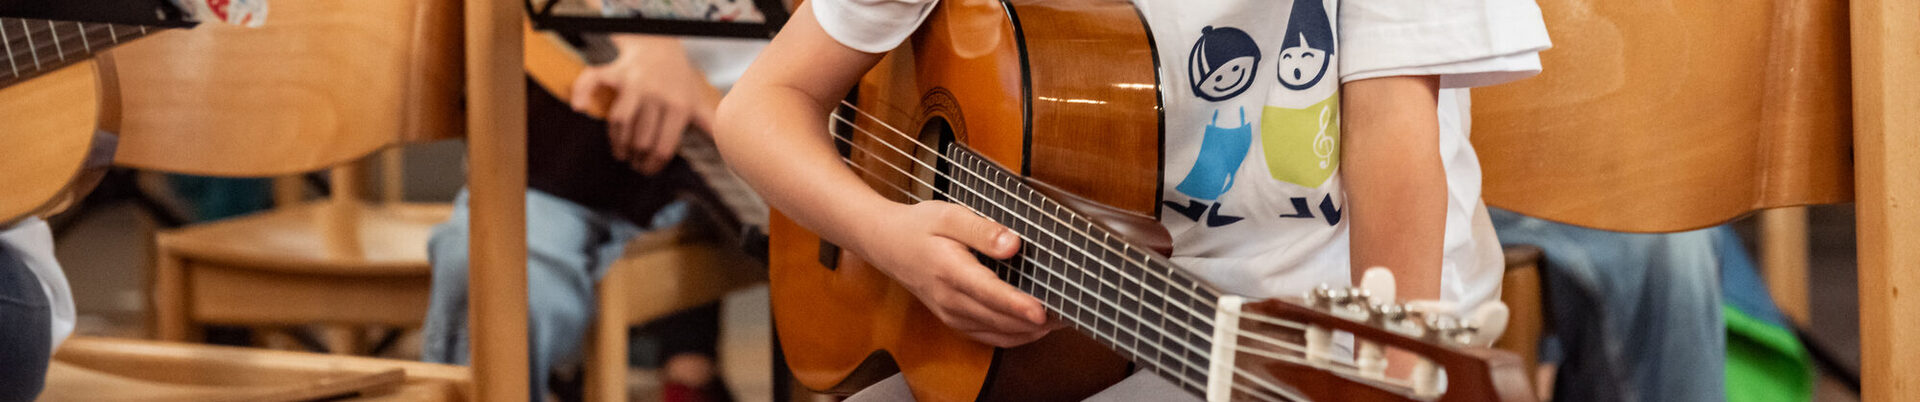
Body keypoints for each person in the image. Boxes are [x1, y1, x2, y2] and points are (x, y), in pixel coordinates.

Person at [713, 0, 1549, 399]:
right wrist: (887, 234)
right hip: (1074, 321)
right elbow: (760, 106)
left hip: (1304, 328)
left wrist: (1394, 369)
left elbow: (1390, 136)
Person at [416, 3, 764, 400]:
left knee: (839, 269)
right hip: (589, 112)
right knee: (494, 264)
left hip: (767, 119)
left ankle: (691, 367)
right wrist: (645, 33)